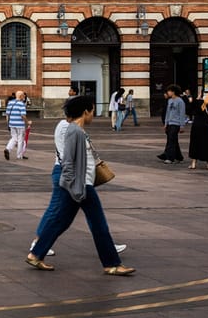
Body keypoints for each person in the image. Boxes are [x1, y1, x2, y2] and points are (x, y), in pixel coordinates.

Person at [27, 95, 135, 276]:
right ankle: (112, 264)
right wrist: (74, 187)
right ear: (86, 111)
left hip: (78, 184)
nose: (93, 114)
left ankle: (36, 254)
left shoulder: (77, 130)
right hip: (80, 185)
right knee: (98, 224)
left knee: (61, 221)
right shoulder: (74, 131)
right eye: (92, 110)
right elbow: (68, 163)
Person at [158, 85, 186, 164]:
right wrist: (166, 123)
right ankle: (178, 157)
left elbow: (182, 114)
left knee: (171, 140)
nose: (168, 93)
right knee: (174, 140)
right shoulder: (169, 101)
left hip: (176, 123)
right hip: (170, 123)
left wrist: (182, 125)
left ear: (173, 92)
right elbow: (167, 113)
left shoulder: (180, 101)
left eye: (169, 91)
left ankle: (170, 158)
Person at [5, 90, 29, 160]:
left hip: (12, 124)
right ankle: (19, 155)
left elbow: (7, 115)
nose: (24, 96)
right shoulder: (21, 104)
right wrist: (28, 122)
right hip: (20, 125)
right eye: (23, 95)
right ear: (21, 96)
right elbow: (23, 115)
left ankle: (7, 149)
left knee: (14, 138)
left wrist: (8, 124)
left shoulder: (10, 103)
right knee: (20, 139)